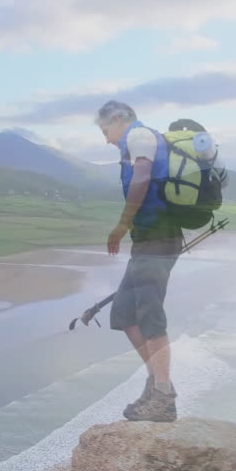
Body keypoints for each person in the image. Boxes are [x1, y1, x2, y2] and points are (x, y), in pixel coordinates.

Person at [96, 100, 183, 422]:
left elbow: (142, 178)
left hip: (159, 237)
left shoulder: (140, 136)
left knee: (149, 314)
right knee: (123, 313)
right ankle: (157, 383)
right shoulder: (137, 141)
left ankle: (163, 396)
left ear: (119, 118)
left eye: (105, 130)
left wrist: (122, 225)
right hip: (148, 240)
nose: (106, 139)